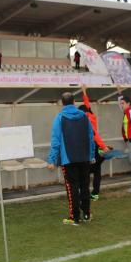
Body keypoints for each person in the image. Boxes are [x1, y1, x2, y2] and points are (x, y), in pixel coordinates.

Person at [47, 92, 94, 225]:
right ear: (74, 102)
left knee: (72, 187)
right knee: (85, 186)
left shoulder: (60, 117)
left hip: (68, 159)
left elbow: (55, 141)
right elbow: (91, 137)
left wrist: (52, 160)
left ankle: (75, 217)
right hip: (84, 157)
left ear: (62, 103)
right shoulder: (85, 116)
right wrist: (90, 155)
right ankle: (86, 214)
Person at [78, 85, 110, 201]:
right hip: (95, 147)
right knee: (97, 171)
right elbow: (87, 104)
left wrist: (104, 146)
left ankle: (85, 193)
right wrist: (84, 92)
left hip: (90, 147)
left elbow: (95, 135)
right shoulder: (91, 115)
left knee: (86, 171)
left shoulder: (85, 119)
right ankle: (95, 193)